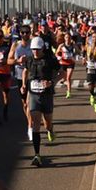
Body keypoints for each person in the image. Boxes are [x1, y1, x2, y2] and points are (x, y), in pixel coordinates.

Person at [23, 36, 59, 167]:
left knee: (47, 123)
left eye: (37, 49)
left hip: (47, 95)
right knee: (35, 123)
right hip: (34, 96)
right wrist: (23, 84)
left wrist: (51, 82)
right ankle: (37, 154)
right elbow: (25, 72)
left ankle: (50, 130)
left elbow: (61, 72)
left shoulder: (50, 60)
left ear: (42, 48)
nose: (35, 52)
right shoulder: (29, 60)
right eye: (33, 49)